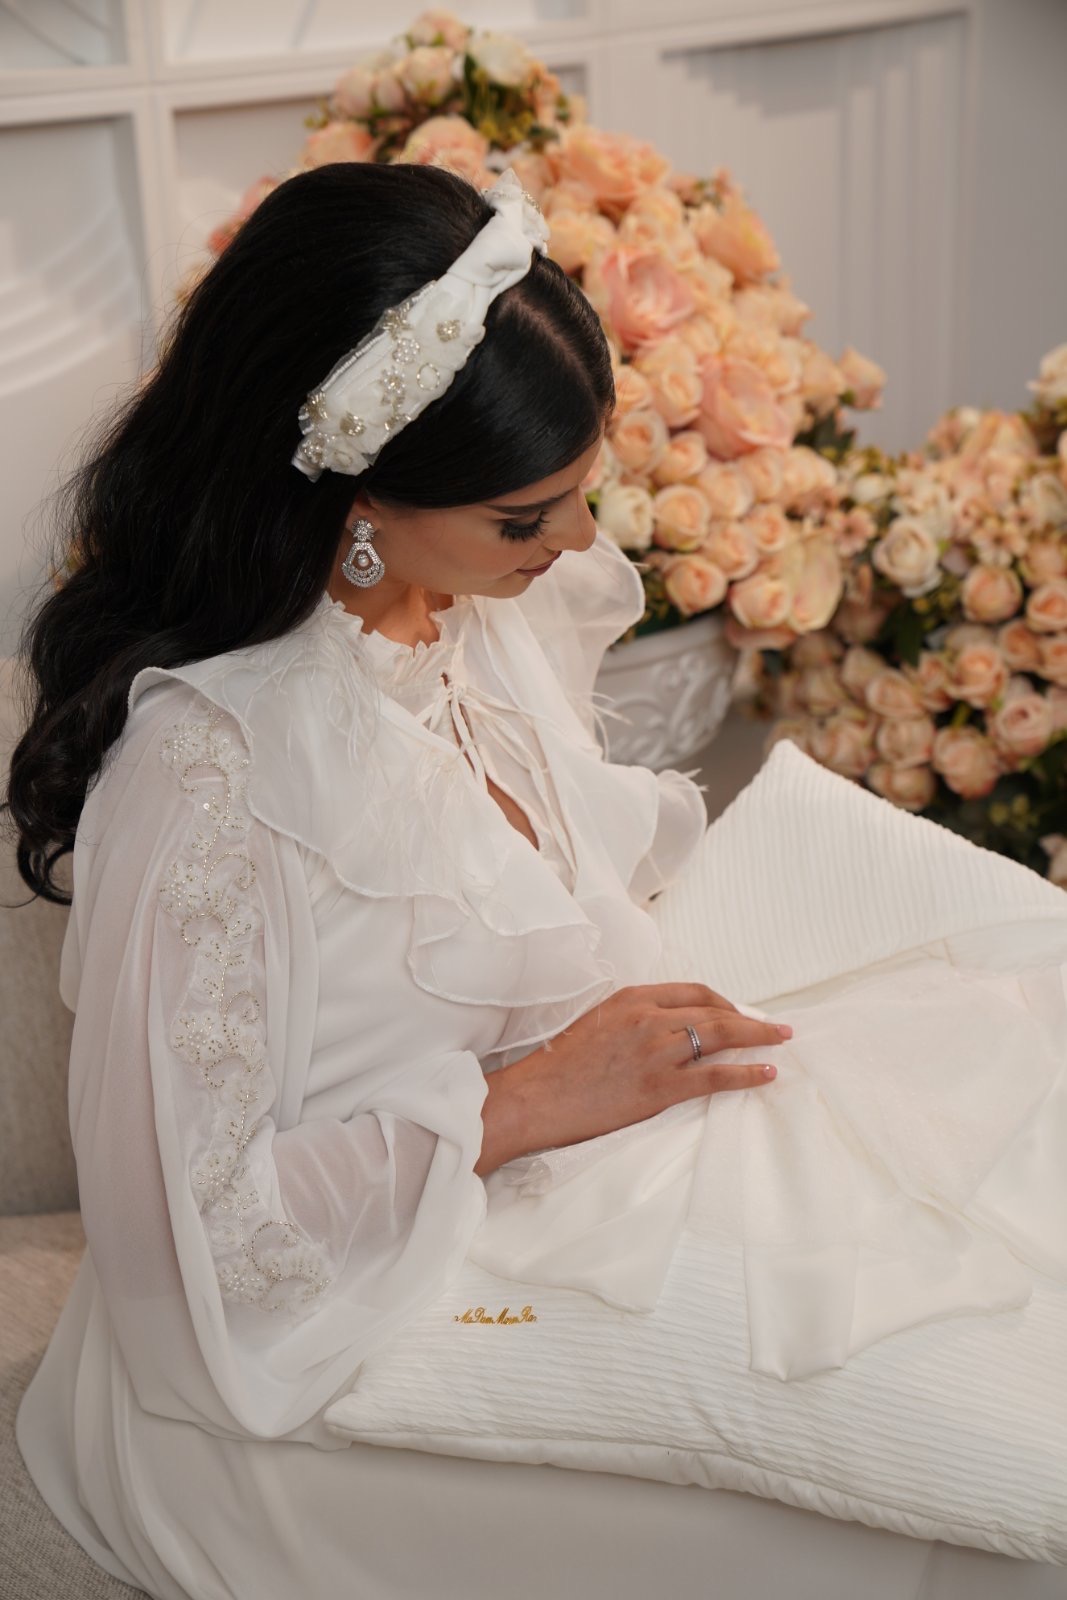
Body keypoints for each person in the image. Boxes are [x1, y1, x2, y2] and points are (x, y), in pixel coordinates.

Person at [4, 160, 1065, 1600]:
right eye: (526, 518)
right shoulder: (209, 777)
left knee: (1000, 1120)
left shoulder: (467, 609)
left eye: (579, 494)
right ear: (357, 495)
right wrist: (523, 1103)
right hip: (303, 1369)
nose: (576, 545)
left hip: (560, 1190)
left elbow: (552, 893)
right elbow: (185, 1248)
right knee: (925, 1513)